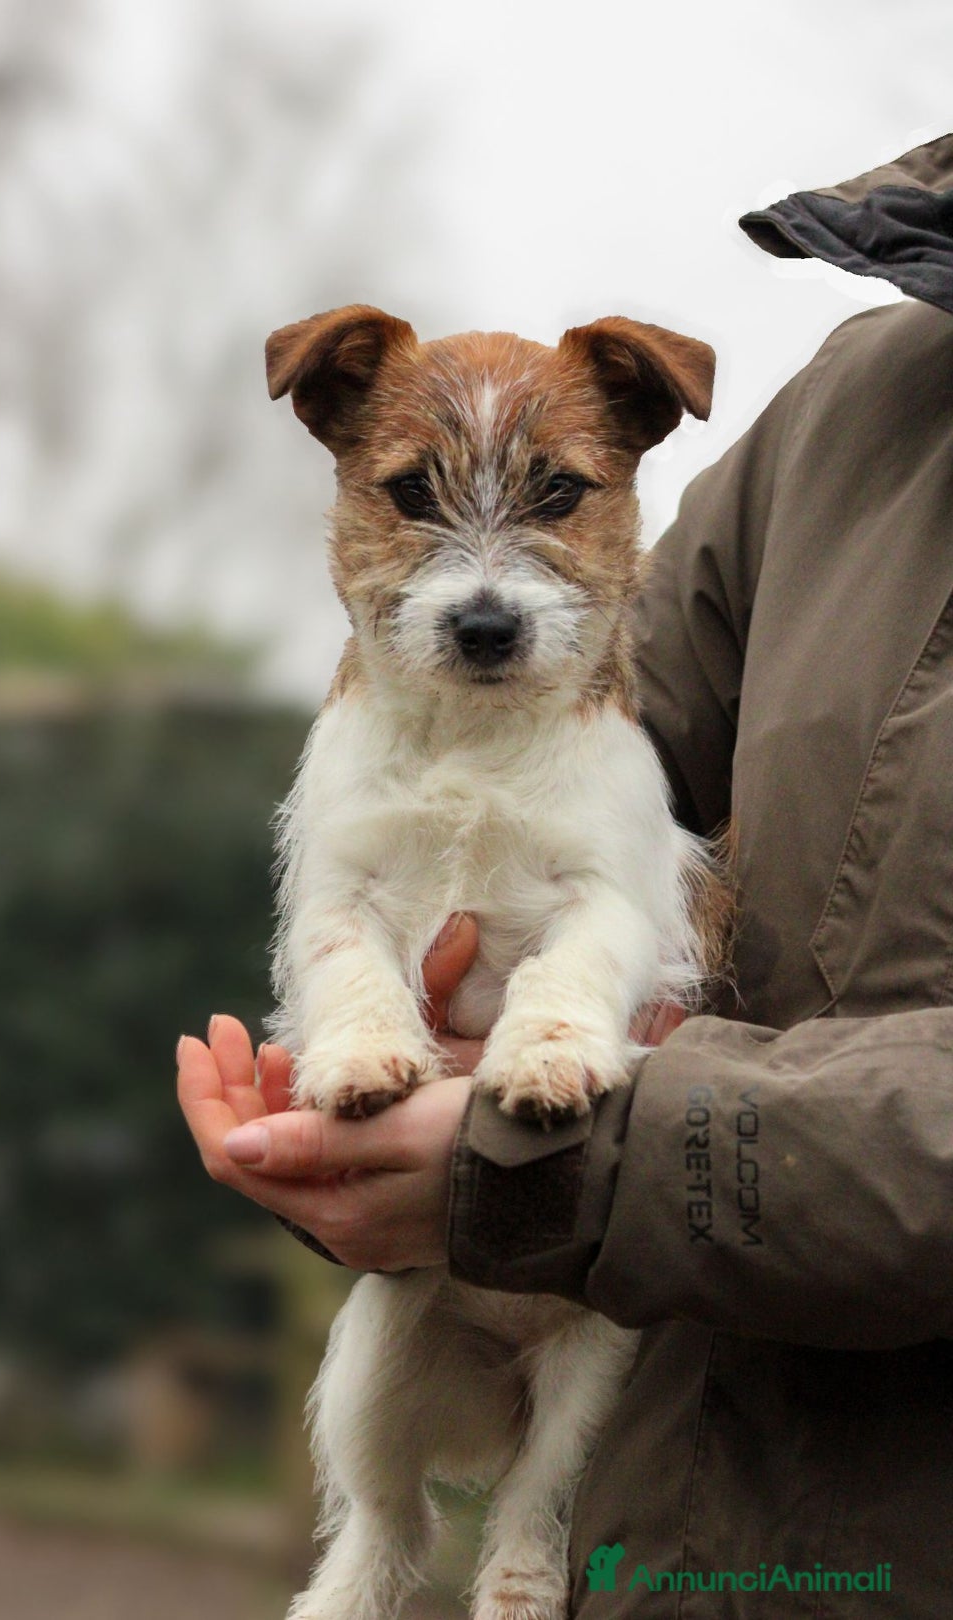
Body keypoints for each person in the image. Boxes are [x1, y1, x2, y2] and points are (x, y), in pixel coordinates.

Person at [178, 135, 953, 1616]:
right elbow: (584, 742)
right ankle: (386, 1543)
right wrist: (378, 1133)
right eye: (414, 493)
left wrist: (591, 1171)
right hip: (675, 1527)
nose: (490, 572)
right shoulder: (868, 402)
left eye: (551, 502)